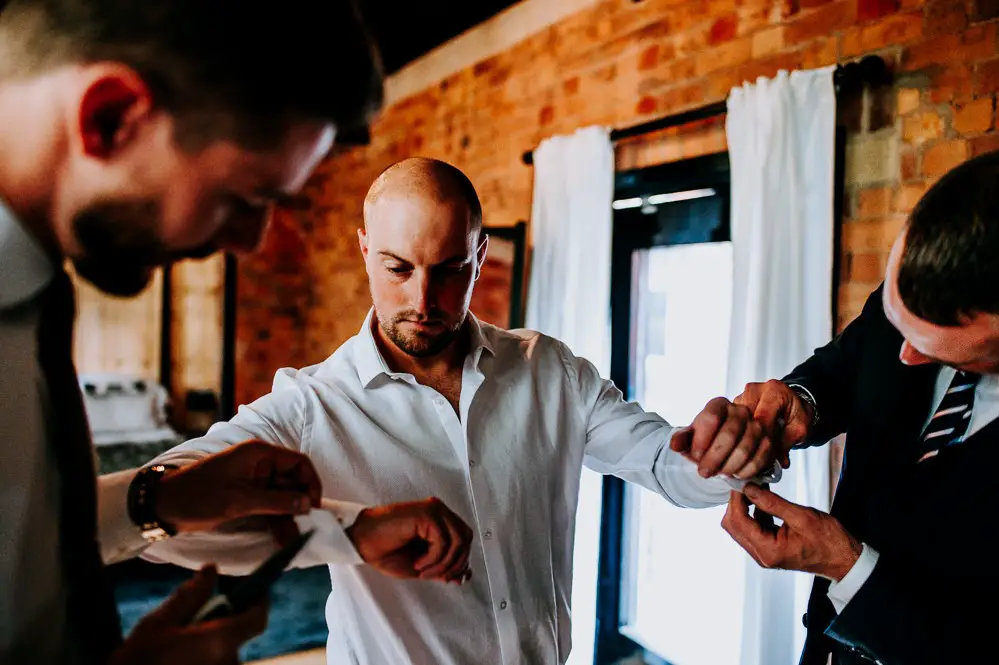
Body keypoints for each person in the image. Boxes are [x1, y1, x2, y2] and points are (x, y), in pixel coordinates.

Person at [139, 157, 785, 665]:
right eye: (398, 268)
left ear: (479, 256)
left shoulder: (549, 371)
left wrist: (724, 454)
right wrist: (352, 529)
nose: (423, 298)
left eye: (449, 270)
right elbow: (166, 518)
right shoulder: (311, 405)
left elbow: (663, 462)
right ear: (364, 250)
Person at [0, 3, 472, 665]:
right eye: (245, 198)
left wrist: (159, 498)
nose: (249, 244)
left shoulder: (35, 296)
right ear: (110, 118)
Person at [719, 151, 999, 665]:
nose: (907, 355)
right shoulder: (920, 294)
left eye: (931, 343)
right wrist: (801, 401)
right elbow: (848, 366)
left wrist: (846, 565)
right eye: (898, 321)